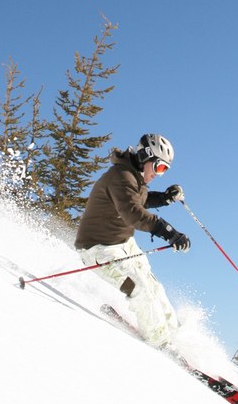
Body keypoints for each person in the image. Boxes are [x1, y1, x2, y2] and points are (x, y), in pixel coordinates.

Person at [75, 133, 191, 349]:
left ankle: (173, 331)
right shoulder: (121, 177)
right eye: (159, 167)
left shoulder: (133, 177)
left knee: (152, 285)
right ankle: (160, 342)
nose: (159, 174)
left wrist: (166, 197)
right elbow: (133, 212)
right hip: (98, 251)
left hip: (123, 244)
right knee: (138, 289)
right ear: (147, 157)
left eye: (164, 170)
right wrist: (168, 232)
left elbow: (143, 199)